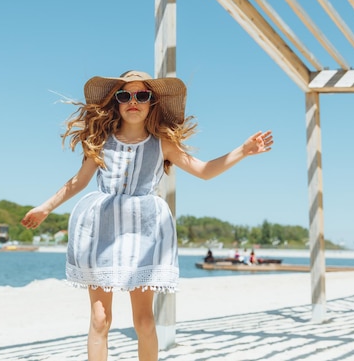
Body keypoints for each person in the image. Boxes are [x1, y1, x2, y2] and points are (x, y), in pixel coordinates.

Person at [20, 70, 273, 361]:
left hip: (144, 234)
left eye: (142, 95)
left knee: (144, 321)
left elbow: (204, 171)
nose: (133, 101)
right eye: (124, 95)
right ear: (115, 102)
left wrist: (242, 150)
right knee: (100, 319)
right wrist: (45, 207)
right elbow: (79, 181)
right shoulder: (100, 141)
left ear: (152, 103)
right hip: (101, 231)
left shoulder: (163, 144)